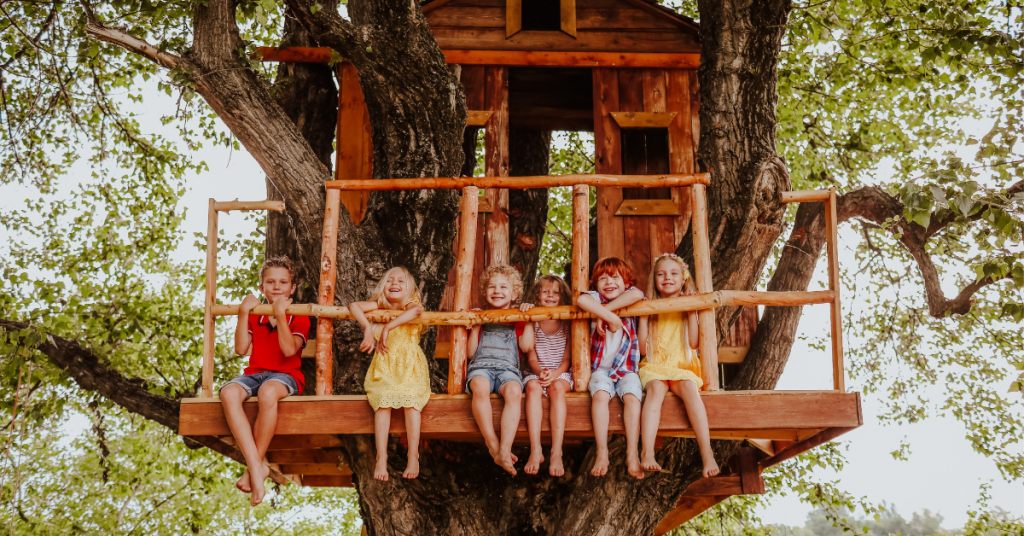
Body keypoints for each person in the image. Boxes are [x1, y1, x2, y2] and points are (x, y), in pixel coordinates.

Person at [220, 256, 310, 506]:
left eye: (283, 282)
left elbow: (289, 350)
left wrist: (281, 316)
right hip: (254, 374)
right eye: (270, 282)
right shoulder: (255, 314)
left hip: (286, 376)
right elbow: (240, 349)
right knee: (228, 393)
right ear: (262, 287)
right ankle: (257, 467)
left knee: (268, 393)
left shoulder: (299, 315)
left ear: (292, 288)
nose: (277, 286)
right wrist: (242, 312)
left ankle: (253, 470)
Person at [639, 253, 719, 478]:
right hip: (654, 365)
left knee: (691, 391)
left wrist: (691, 310)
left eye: (674, 273)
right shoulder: (650, 305)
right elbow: (643, 350)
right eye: (661, 274)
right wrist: (643, 315)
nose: (667, 278)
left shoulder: (687, 304)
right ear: (654, 280)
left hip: (681, 364)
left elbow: (694, 342)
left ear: (683, 278)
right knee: (654, 391)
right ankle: (647, 452)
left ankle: (707, 453)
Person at [349, 266, 429, 482]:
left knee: (411, 403)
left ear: (410, 289)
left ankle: (413, 455)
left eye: (401, 281)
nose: (394, 284)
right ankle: (381, 457)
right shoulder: (379, 306)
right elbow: (354, 306)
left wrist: (387, 327)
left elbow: (416, 312)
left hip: (409, 366)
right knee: (382, 405)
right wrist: (367, 327)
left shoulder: (409, 303)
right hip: (385, 365)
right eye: (389, 280)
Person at [576, 257, 646, 479]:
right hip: (601, 370)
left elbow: (637, 294)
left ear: (626, 281)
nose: (609, 282)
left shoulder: (629, 298)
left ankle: (632, 453)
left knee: (633, 398)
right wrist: (606, 315)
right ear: (595, 284)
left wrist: (605, 314)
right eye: (602, 278)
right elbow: (581, 300)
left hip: (627, 370)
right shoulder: (595, 298)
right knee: (600, 396)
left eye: (615, 277)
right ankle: (602, 451)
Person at [466, 264, 527, 475]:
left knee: (514, 392)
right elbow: (471, 353)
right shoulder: (481, 316)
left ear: (514, 293)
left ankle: (505, 448)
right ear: (485, 292)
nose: (497, 291)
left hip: (508, 370)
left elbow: (527, 346)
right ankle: (492, 443)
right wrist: (475, 325)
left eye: (504, 287)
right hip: (481, 367)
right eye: (492, 287)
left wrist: (528, 319)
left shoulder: (517, 317)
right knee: (480, 386)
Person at [517, 275, 573, 476]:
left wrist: (555, 374)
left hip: (561, 372)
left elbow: (567, 360)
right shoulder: (534, 321)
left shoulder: (566, 323)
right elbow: (530, 356)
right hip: (536, 370)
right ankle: (536, 449)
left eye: (556, 292)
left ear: (562, 296)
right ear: (537, 295)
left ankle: (556, 451)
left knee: (557, 388)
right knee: (532, 387)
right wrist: (540, 372)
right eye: (545, 292)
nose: (550, 296)